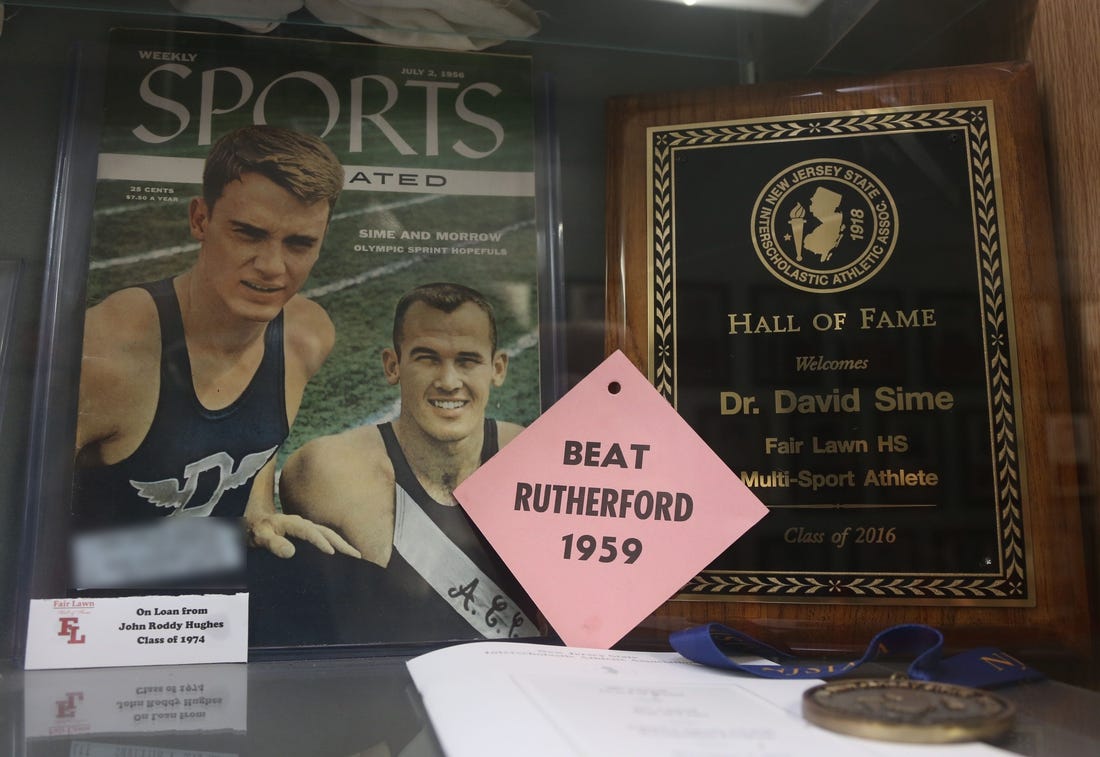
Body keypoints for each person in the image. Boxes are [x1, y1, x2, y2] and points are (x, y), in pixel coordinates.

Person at [73, 124, 358, 561]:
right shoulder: (107, 350)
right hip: (101, 595)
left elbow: (256, 444)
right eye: (248, 233)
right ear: (200, 219)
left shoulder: (307, 335)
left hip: (213, 574)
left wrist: (259, 512)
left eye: (299, 243)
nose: (271, 266)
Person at [278, 282, 537, 639]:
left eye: (467, 360)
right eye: (427, 358)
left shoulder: (531, 459)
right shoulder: (327, 470)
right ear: (392, 365)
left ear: (497, 368)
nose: (449, 381)